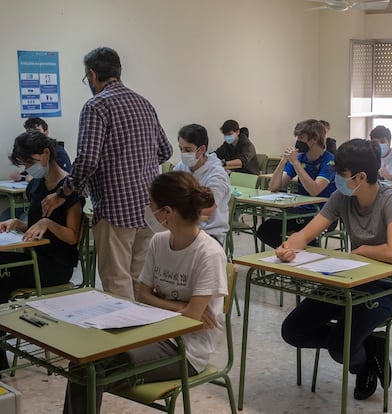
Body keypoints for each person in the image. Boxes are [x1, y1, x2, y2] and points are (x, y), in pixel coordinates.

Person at [62, 171, 228, 414]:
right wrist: (181, 307)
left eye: (151, 205)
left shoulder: (208, 253)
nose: (148, 210)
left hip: (186, 350)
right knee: (83, 362)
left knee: (90, 370)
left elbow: (192, 319)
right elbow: (143, 296)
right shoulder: (159, 242)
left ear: (168, 212)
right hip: (150, 332)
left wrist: (176, 308)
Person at [277, 139, 392, 401]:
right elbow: (306, 234)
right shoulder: (341, 197)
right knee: (293, 331)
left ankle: (360, 361)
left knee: (341, 347)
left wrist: (361, 252)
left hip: (385, 287)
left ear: (361, 176)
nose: (337, 178)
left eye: (341, 174)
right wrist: (287, 247)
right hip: (349, 279)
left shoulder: (391, 200)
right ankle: (368, 346)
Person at [41, 47, 173, 301]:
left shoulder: (96, 106)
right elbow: (165, 151)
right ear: (118, 71)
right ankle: (145, 339)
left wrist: (62, 193)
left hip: (115, 208)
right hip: (148, 207)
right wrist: (137, 165)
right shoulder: (144, 103)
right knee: (141, 281)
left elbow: (88, 160)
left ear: (92, 74)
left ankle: (125, 339)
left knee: (116, 282)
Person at [0, 130, 84, 371]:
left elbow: (72, 236)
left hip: (55, 266)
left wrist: (48, 224)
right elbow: (36, 225)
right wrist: (18, 223)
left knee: (2, 277)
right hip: (33, 256)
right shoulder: (37, 184)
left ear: (46, 154)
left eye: (30, 162)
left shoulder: (68, 188)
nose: (28, 168)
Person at [257, 119, 336, 248]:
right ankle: (291, 252)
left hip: (323, 213)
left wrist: (296, 164)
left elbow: (314, 190)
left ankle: (301, 254)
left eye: (301, 137)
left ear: (314, 138)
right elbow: (274, 186)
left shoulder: (330, 161)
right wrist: (283, 161)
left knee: (306, 238)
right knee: (265, 231)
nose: (298, 141)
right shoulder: (300, 158)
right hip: (301, 210)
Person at [173, 123, 230, 245]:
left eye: (188, 150)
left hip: (209, 234)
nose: (183, 153)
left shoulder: (217, 174)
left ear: (202, 149)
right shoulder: (181, 167)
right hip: (184, 228)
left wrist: (175, 209)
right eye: (181, 149)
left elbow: (207, 209)